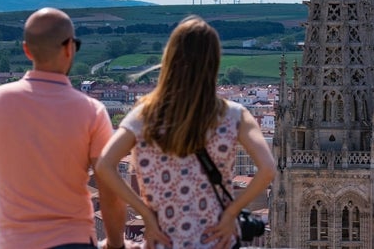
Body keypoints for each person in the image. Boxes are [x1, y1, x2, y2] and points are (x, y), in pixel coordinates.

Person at [95, 16, 276, 249]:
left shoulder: (144, 116)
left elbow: (104, 165)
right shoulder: (234, 115)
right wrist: (230, 214)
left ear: (170, 59)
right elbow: (268, 168)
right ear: (213, 62)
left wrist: (145, 214)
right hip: (215, 240)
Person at [0, 7, 127, 249]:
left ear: (26, 50)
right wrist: (115, 244)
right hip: (74, 241)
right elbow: (109, 190)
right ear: (70, 48)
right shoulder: (92, 111)